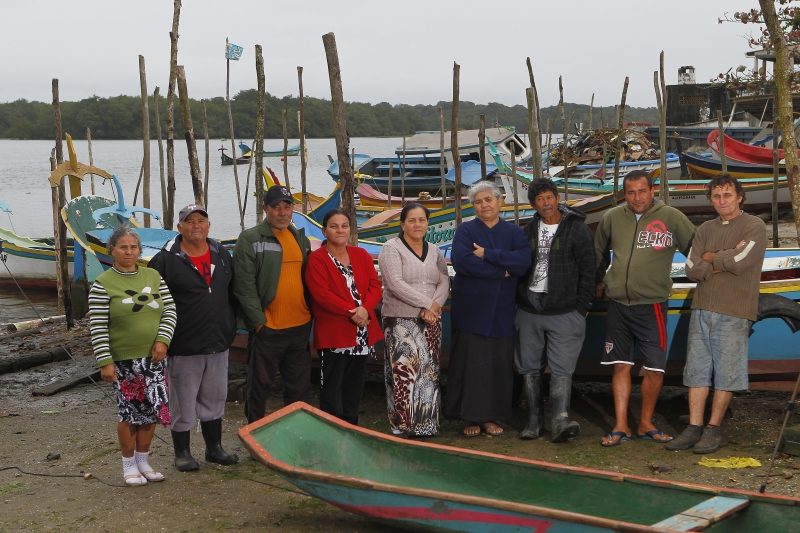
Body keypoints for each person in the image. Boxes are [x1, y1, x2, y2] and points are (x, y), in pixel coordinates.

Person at [595, 169, 696, 447]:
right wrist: (598, 279)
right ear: (624, 194)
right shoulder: (612, 218)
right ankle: (620, 425)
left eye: (642, 191)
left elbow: (696, 248)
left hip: (651, 304)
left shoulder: (672, 217)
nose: (637, 198)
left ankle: (646, 423)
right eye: (630, 192)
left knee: (655, 367)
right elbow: (599, 252)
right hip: (618, 304)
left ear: (653, 191)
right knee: (620, 365)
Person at [666, 175, 766, 453]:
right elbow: (690, 268)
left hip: (735, 308)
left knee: (727, 371)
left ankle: (713, 429)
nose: (722, 201)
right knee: (696, 369)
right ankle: (694, 427)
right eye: (716, 196)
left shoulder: (754, 226)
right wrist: (719, 259)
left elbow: (741, 261)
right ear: (710, 199)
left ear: (740, 196)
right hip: (702, 306)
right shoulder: (705, 228)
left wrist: (710, 257)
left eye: (728, 195)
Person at [148, 204, 238, 472]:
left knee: (215, 397)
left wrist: (231, 326)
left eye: (201, 220)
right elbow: (153, 303)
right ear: (179, 228)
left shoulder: (221, 253)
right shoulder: (165, 260)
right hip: (183, 344)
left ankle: (214, 449)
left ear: (208, 225)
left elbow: (231, 291)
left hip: (218, 342)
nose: (196, 225)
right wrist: (159, 339)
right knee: (183, 400)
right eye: (189, 221)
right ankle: (183, 452)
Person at [89, 225, 176, 486]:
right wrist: (105, 363)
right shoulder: (103, 284)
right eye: (123, 247)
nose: (129, 251)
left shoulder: (153, 276)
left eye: (134, 247)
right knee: (129, 413)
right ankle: (128, 467)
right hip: (124, 362)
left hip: (155, 358)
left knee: (151, 411)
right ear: (112, 250)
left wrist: (163, 341)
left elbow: (169, 311)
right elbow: (98, 327)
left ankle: (143, 462)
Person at [445, 181, 532, 437]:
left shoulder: (515, 232)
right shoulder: (465, 230)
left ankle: (491, 417)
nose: (484, 205)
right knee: (469, 364)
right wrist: (502, 270)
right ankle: (469, 417)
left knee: (497, 365)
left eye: (488, 200)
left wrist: (488, 254)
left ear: (499, 201)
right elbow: (463, 263)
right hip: (471, 306)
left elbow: (523, 262)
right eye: (478, 202)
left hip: (502, 308)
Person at [515, 177, 596, 442]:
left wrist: (581, 309)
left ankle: (560, 420)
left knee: (562, 368)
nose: (546, 203)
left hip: (566, 310)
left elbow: (589, 271)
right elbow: (519, 268)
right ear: (534, 205)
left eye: (550, 197)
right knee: (528, 366)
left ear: (558, 199)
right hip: (530, 308)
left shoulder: (577, 229)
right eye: (539, 199)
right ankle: (533, 421)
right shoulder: (527, 230)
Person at [233, 185, 313, 424]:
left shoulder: (301, 239)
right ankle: (255, 432)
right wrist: (259, 323)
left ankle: (296, 431)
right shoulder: (250, 239)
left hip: (300, 326)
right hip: (268, 328)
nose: (282, 212)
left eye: (287, 206)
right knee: (259, 386)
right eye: (276, 207)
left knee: (299, 387)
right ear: (264, 208)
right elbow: (243, 286)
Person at [305, 209, 383, 425]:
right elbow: (322, 295)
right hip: (335, 332)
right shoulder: (317, 260)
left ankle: (352, 427)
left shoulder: (361, 255)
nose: (340, 230)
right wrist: (355, 312)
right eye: (334, 226)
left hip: (361, 332)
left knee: (354, 386)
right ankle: (332, 428)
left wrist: (366, 309)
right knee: (332, 385)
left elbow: (375, 286)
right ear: (324, 231)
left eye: (344, 225)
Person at [379, 203, 450, 437]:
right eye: (412, 220)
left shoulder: (436, 250)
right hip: (400, 319)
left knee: (428, 373)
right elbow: (394, 284)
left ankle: (426, 425)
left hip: (430, 320)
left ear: (428, 224)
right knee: (404, 374)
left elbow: (443, 281)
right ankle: (404, 426)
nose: (417, 224)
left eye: (422, 220)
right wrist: (427, 304)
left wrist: (435, 306)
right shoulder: (391, 248)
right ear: (402, 224)